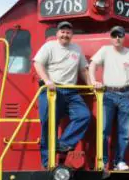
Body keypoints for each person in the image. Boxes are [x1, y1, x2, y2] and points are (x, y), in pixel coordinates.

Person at [89, 25, 129, 171]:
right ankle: (104, 161)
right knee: (104, 130)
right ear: (111, 37)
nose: (117, 38)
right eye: (114, 35)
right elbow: (92, 64)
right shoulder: (105, 51)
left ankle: (120, 161)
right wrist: (93, 80)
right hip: (108, 94)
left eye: (120, 35)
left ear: (124, 37)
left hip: (126, 95)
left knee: (124, 131)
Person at [33, 21, 91, 168]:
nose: (65, 34)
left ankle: (64, 143)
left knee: (84, 115)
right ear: (57, 33)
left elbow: (83, 70)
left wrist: (91, 85)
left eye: (68, 32)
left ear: (72, 35)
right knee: (47, 123)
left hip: (71, 91)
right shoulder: (49, 46)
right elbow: (37, 63)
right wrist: (47, 80)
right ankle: (47, 163)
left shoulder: (77, 49)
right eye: (62, 32)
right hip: (52, 90)